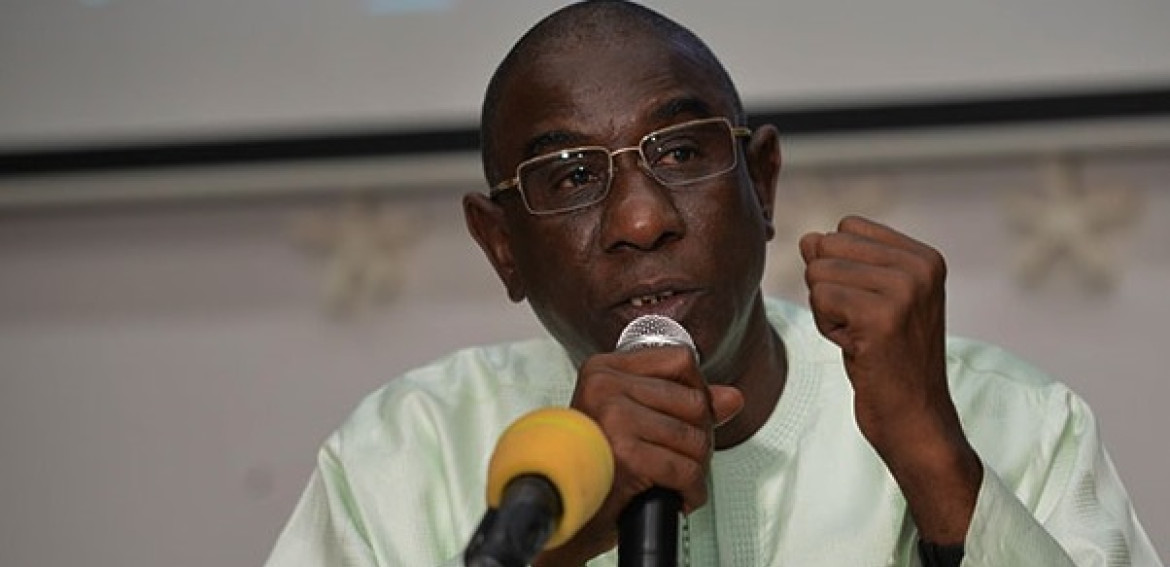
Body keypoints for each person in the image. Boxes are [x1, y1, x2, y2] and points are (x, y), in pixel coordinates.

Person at [264, 2, 1161, 566]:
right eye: (571, 175)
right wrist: (562, 548)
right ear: (501, 246)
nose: (640, 218)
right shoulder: (402, 454)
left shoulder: (1012, 416)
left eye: (683, 152)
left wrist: (940, 470)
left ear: (761, 182)